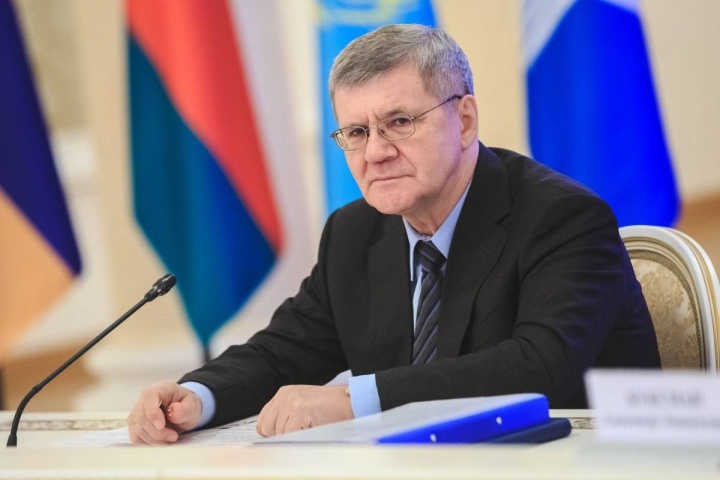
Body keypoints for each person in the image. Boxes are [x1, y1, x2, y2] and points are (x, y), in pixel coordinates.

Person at [127, 24, 660, 445]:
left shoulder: (562, 217)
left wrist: (352, 401)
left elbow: (541, 366)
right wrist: (198, 395)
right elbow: (285, 350)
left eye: (400, 122)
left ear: (465, 120)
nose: (376, 152)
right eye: (356, 132)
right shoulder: (354, 232)